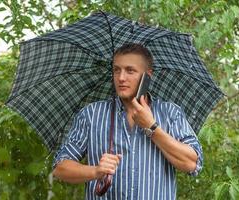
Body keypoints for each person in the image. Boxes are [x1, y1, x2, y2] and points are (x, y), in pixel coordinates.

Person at [52, 43, 203, 200]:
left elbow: (193, 163)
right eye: (117, 70)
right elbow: (60, 167)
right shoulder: (91, 114)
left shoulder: (170, 113)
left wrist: (151, 127)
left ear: (147, 76)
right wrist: (95, 171)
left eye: (130, 70)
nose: (121, 78)